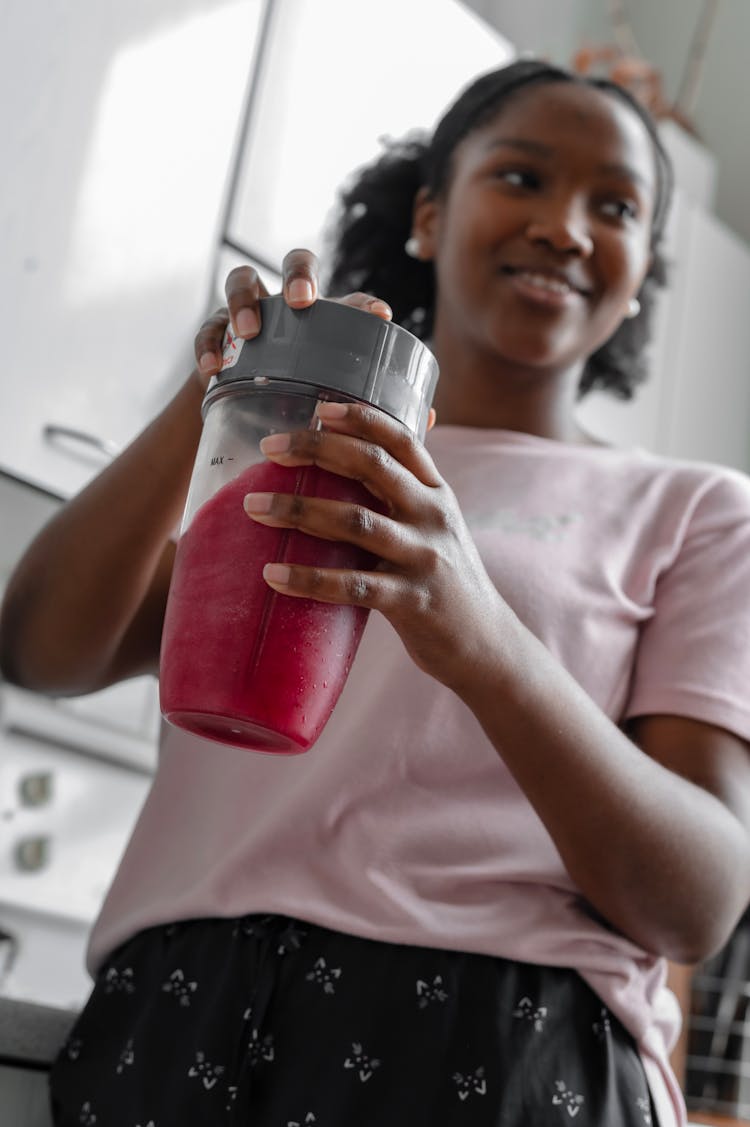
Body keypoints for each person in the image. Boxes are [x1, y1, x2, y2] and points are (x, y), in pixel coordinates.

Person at [2, 58, 749, 1127]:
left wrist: (483, 637)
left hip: (505, 1048)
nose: (567, 228)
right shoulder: (300, 435)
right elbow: (42, 648)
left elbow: (698, 899)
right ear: (429, 215)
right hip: (184, 1017)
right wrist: (224, 390)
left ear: (640, 275)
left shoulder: (697, 508)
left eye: (616, 206)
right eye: (524, 178)